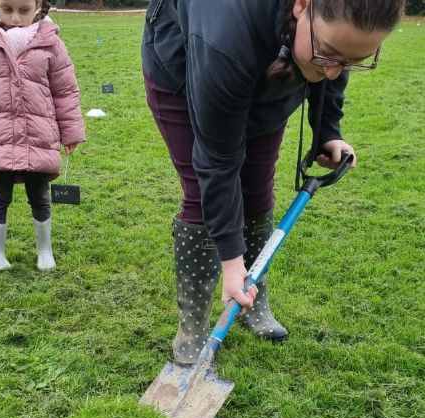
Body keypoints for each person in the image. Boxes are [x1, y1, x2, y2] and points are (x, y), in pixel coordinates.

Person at [142, 0, 404, 364]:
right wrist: (232, 264)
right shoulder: (225, 37)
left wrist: (328, 129)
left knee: (258, 189)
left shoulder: (326, 36)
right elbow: (218, 162)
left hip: (281, 62)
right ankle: (194, 326)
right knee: (202, 196)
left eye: (353, 60)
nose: (334, 72)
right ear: (301, 6)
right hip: (185, 69)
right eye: (328, 54)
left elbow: (333, 61)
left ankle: (253, 298)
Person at [0, 0, 85, 272]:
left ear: (38, 5)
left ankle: (45, 251)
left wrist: (70, 132)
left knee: (40, 195)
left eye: (24, 11)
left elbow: (65, 91)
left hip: (39, 136)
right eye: (7, 9)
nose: (15, 18)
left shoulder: (51, 41)